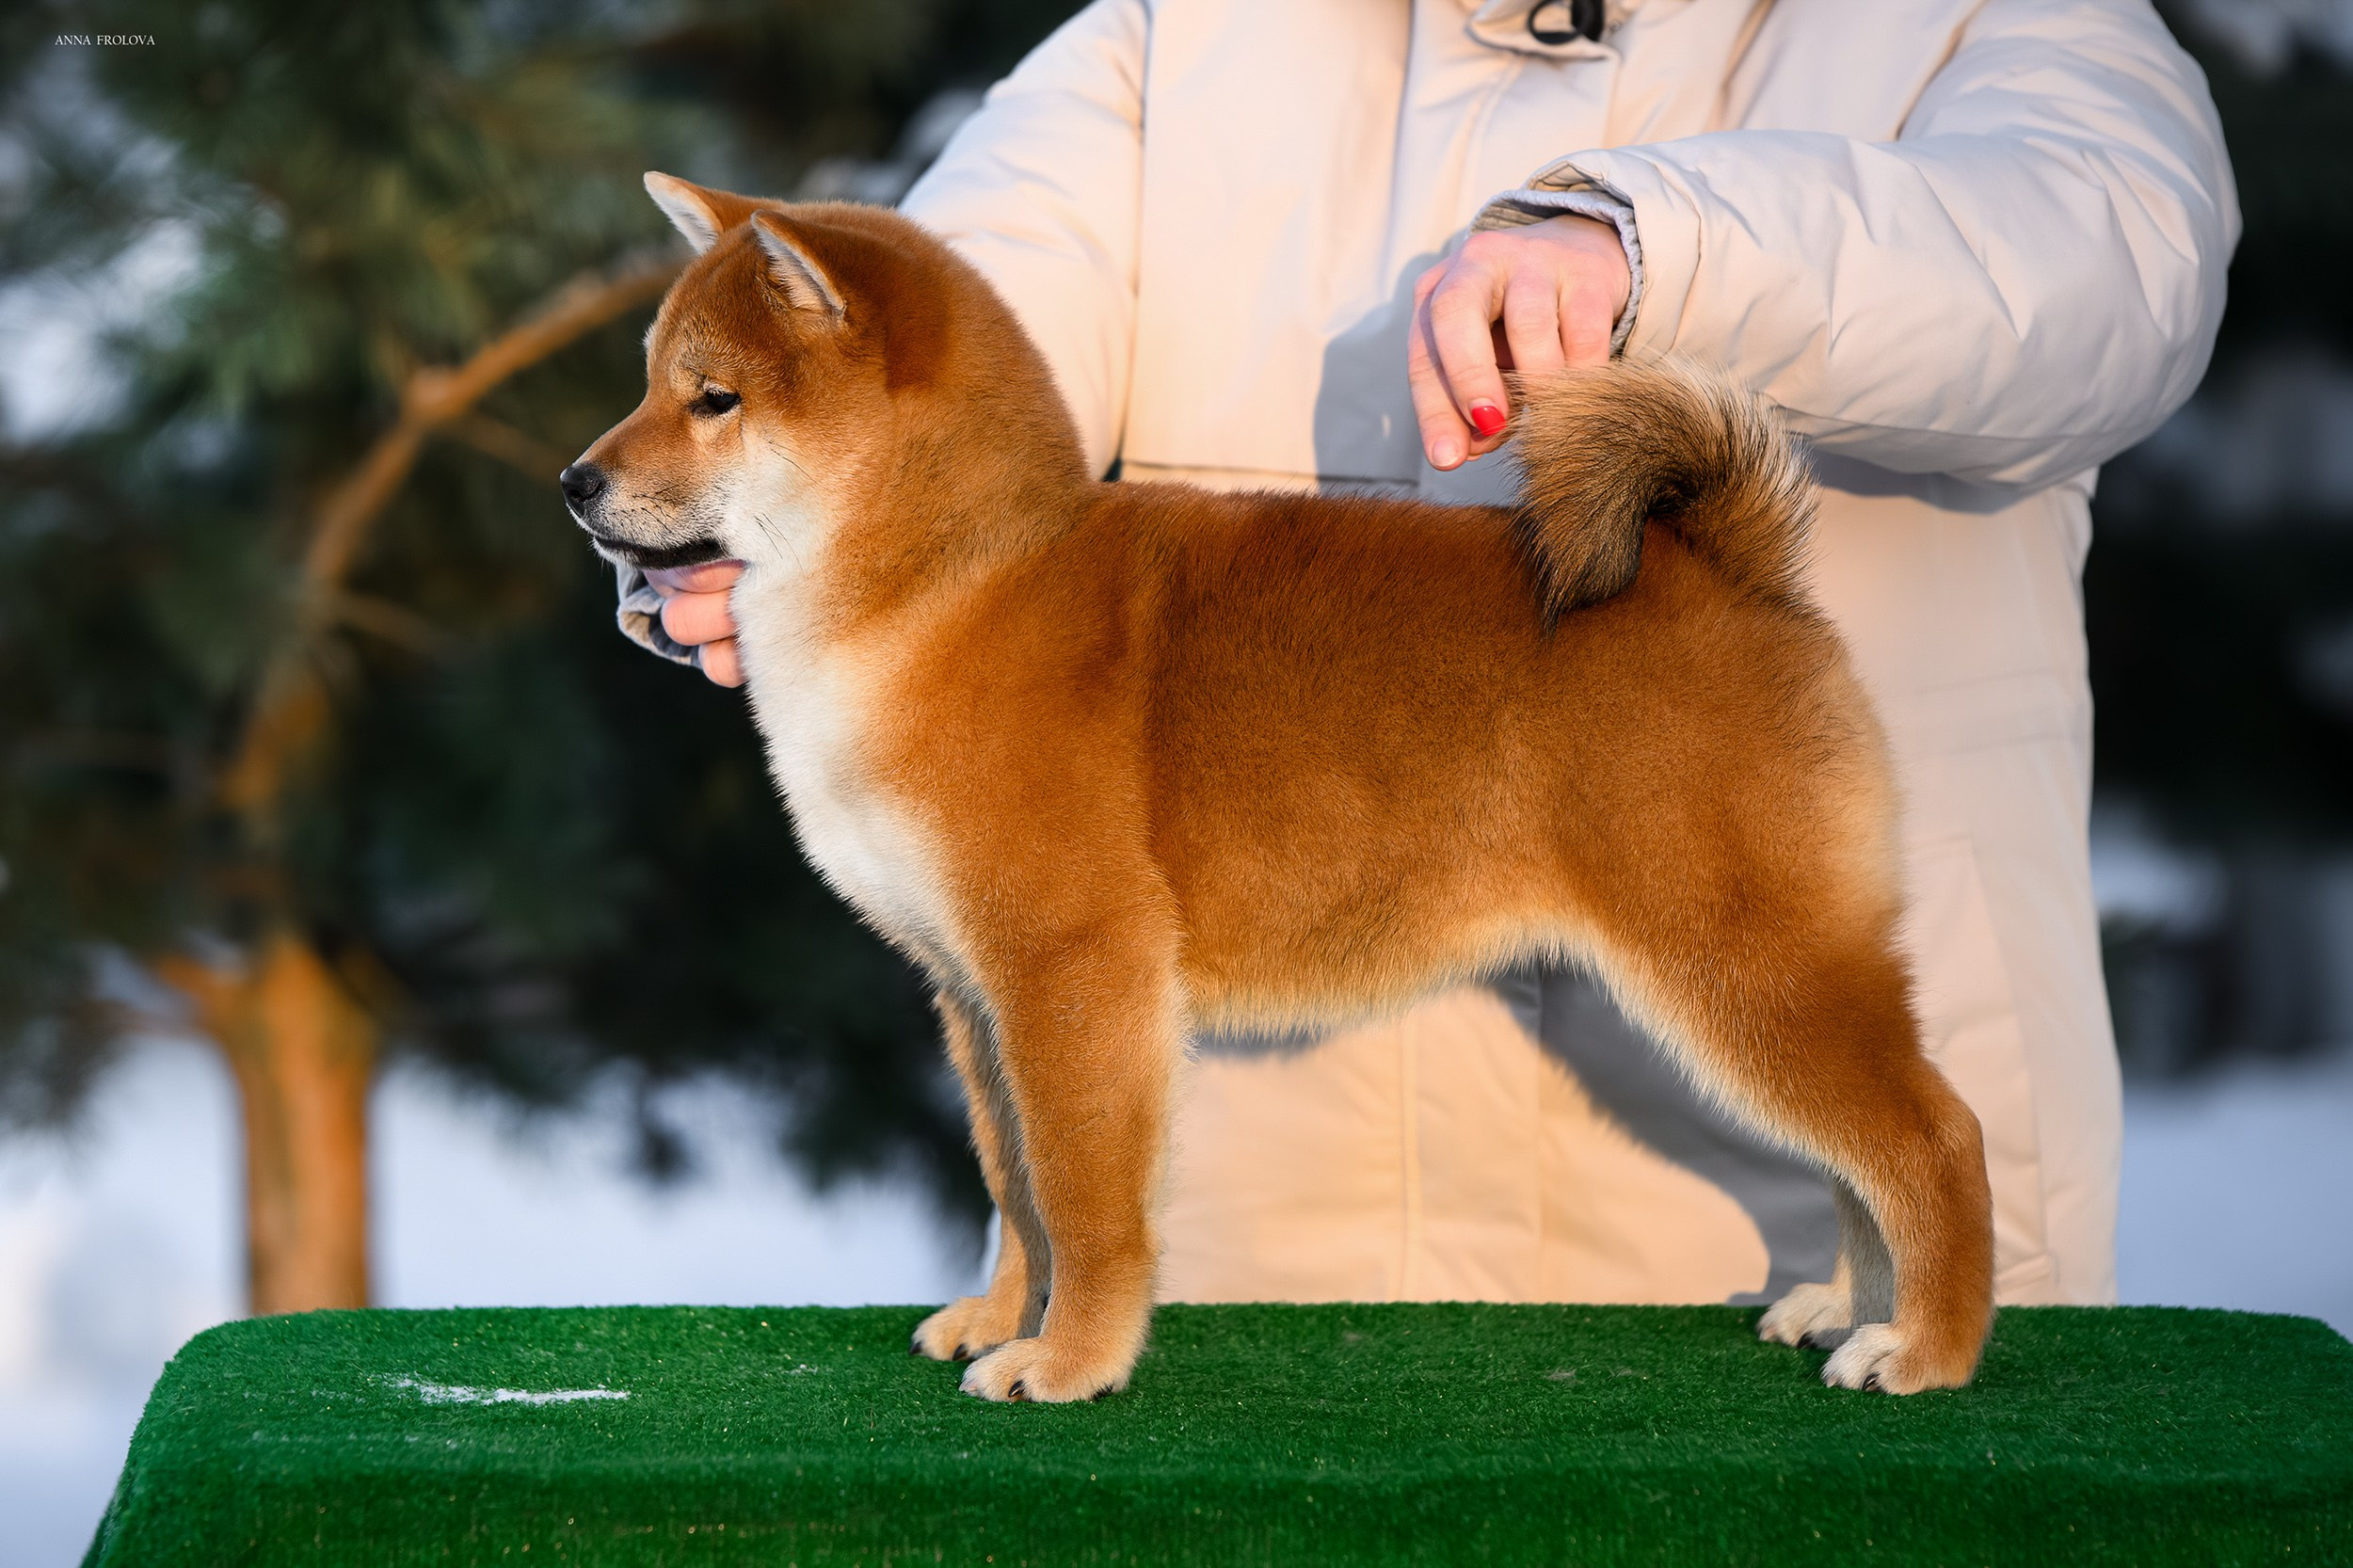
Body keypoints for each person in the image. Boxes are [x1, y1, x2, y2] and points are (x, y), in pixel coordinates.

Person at [620, 0, 2236, 1311]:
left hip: (1765, 1227)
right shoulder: (1183, 40)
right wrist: (806, 508)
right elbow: (944, 320)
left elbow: (2109, 256)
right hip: (1288, 1243)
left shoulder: (1990, 18)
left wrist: (1662, 247)